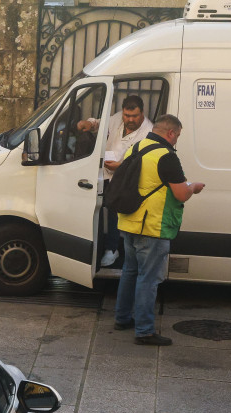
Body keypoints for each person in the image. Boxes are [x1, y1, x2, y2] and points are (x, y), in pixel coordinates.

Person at [113, 114, 205, 346]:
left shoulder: (137, 146)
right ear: (171, 133)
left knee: (129, 271)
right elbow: (181, 193)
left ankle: (122, 318)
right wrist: (193, 186)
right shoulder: (166, 156)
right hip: (152, 226)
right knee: (149, 278)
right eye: (178, 136)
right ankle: (144, 331)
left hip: (129, 221)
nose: (176, 141)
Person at [78, 95, 154, 267]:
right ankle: (93, 247)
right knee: (95, 207)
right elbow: (100, 123)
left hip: (126, 178)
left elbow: (142, 162)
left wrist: (120, 167)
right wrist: (89, 124)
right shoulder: (117, 118)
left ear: (142, 113)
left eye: (134, 116)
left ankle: (112, 249)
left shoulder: (148, 131)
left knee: (113, 211)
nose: (130, 119)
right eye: (127, 116)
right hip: (104, 172)